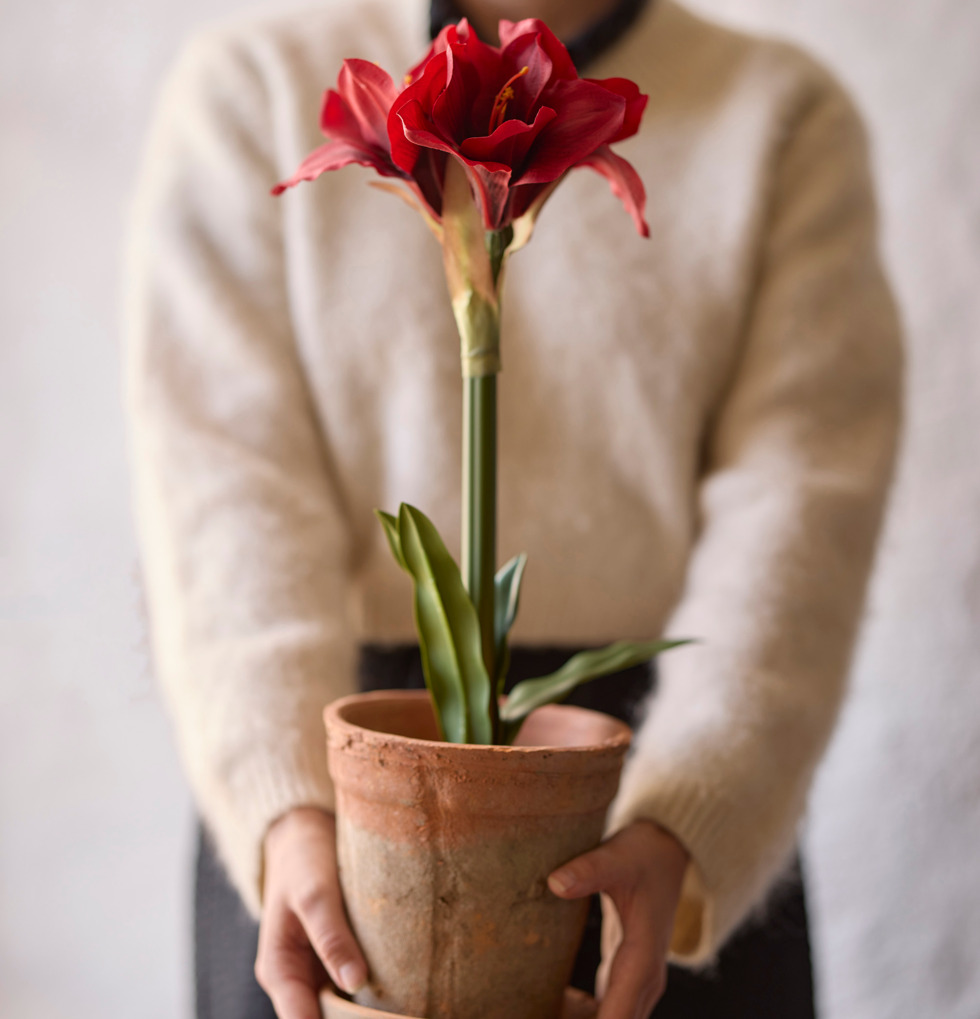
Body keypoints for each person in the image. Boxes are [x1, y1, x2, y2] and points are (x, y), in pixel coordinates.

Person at [124, 0, 903, 1016]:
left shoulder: (780, 114)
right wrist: (288, 813)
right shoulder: (252, 90)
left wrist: (689, 816)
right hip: (329, 790)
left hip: (650, 795)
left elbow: (801, 507)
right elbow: (221, 494)